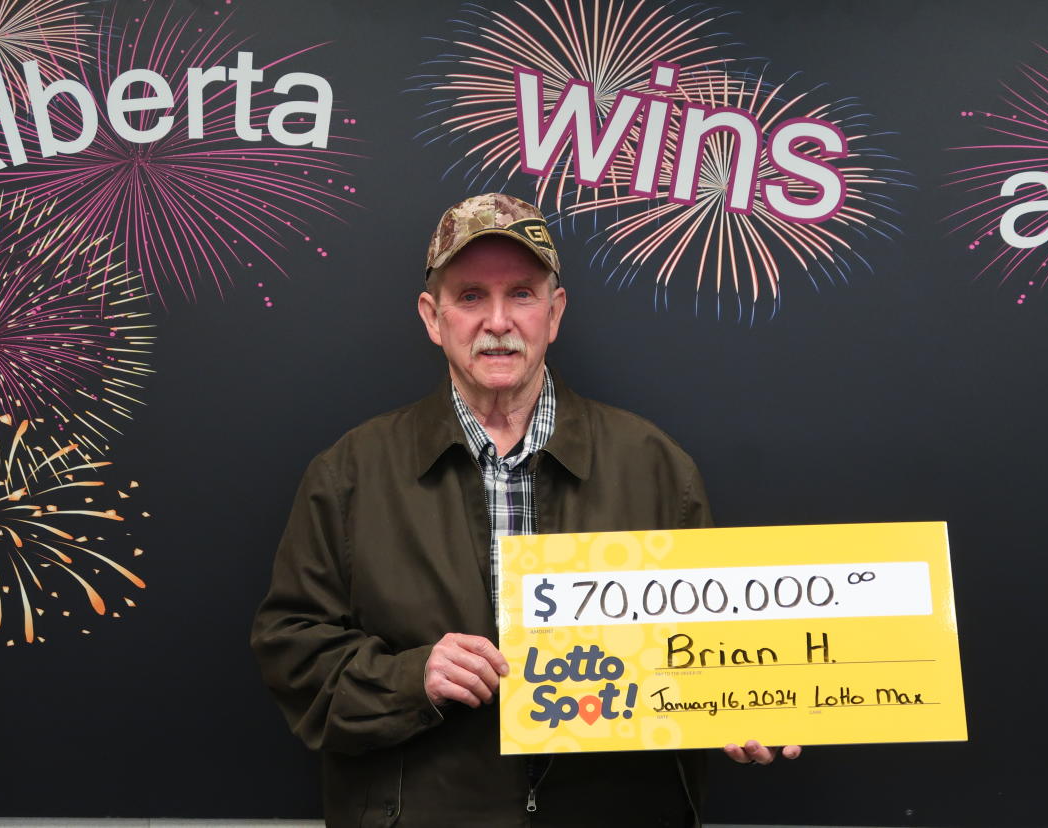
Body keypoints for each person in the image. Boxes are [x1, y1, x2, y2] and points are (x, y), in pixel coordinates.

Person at [250, 193, 799, 828]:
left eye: (522, 294)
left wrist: (745, 705)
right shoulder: (350, 474)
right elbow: (292, 652)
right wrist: (410, 678)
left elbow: (713, 647)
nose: (499, 321)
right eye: (471, 296)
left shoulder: (654, 464)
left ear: (555, 312)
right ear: (433, 317)